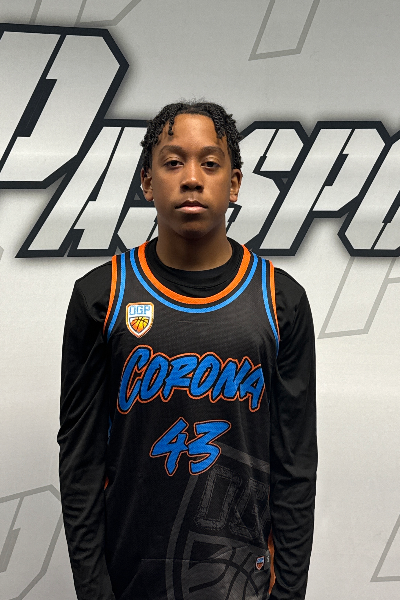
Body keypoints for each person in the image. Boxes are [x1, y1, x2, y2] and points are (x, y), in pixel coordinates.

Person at [59, 101, 317, 600]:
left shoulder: (279, 300)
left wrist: (288, 593)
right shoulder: (102, 297)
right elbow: (80, 463)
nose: (192, 179)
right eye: (173, 162)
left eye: (210, 163)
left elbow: (295, 466)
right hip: (130, 581)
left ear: (234, 184)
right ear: (147, 181)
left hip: (243, 584)